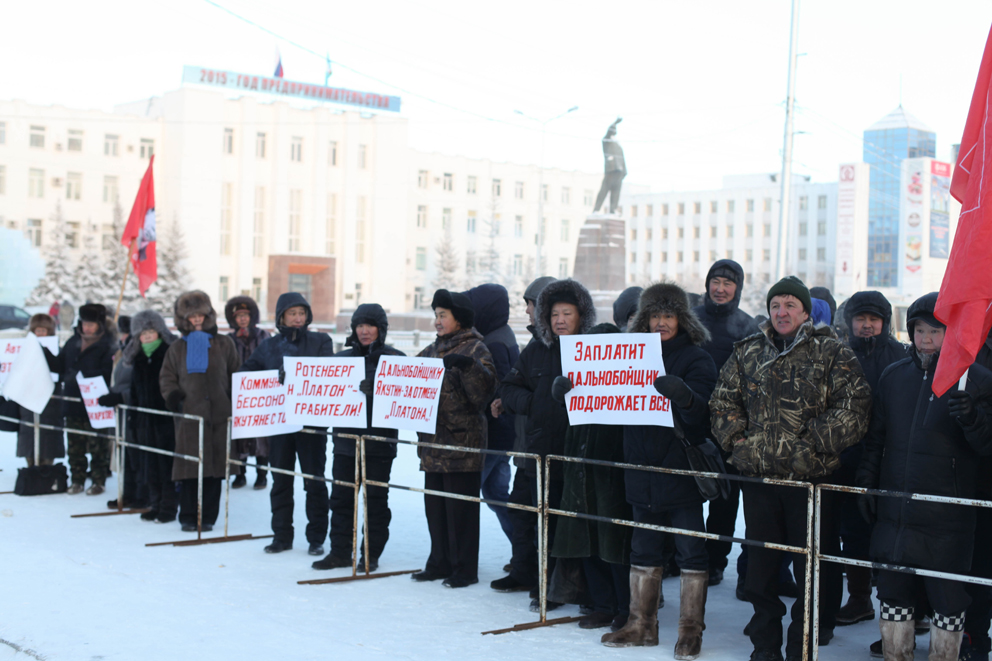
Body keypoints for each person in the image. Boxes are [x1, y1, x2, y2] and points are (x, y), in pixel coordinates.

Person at [710, 276, 872, 661]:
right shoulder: (747, 351)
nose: (781, 313)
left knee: (810, 571)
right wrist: (741, 445)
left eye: (789, 306)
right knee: (761, 570)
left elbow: (854, 408)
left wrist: (811, 445)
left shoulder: (833, 353)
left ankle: (802, 644)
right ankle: (765, 647)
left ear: (804, 312)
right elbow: (721, 403)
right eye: (775, 306)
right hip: (761, 479)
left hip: (811, 482)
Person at [856, 292, 992, 661]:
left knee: (948, 598)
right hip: (896, 511)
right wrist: (868, 483)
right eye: (919, 330)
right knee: (893, 592)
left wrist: (974, 418)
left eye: (935, 330)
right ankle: (895, 654)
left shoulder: (976, 379)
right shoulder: (893, 376)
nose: (926, 338)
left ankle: (946, 654)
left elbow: (987, 447)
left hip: (946, 515)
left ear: (952, 333)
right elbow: (876, 439)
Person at [598, 282, 717, 659]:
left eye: (668, 315)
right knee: (643, 549)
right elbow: (603, 398)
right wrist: (574, 388)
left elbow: (705, 417)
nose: (661, 322)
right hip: (640, 467)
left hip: (679, 470)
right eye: (654, 315)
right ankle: (641, 624)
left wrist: (684, 395)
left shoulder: (696, 358)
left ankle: (690, 631)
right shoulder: (627, 356)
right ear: (644, 319)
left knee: (690, 553)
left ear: (681, 319)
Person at [496, 278, 597, 610]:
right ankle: (546, 586)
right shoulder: (536, 350)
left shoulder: (597, 349)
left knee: (581, 525)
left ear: (581, 315)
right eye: (554, 314)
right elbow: (509, 388)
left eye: (567, 313)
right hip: (543, 452)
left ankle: (586, 590)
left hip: (585, 455)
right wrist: (536, 402)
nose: (560, 320)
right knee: (545, 522)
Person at [550, 321, 633, 633]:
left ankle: (625, 608)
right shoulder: (577, 381)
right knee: (586, 538)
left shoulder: (627, 383)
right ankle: (602, 604)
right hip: (580, 463)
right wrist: (561, 396)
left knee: (614, 542)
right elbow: (568, 418)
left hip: (611, 468)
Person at [411, 289, 497, 588]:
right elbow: (405, 378)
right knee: (435, 509)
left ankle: (464, 569)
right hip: (433, 444)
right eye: (435, 315)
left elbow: (483, 394)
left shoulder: (476, 349)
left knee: (460, 513)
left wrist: (467, 367)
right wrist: (377, 384)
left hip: (462, 445)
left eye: (442, 315)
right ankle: (439, 562)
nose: (437, 321)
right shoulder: (433, 350)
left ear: (458, 319)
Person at [239, 292, 334, 554]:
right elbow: (246, 371)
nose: (297, 318)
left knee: (314, 482)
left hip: (311, 426)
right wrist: (269, 379)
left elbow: (328, 374)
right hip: (279, 426)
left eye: (302, 313)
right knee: (280, 481)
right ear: (282, 316)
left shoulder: (320, 341)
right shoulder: (269, 346)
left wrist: (297, 376)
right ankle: (281, 535)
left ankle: (316, 538)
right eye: (292, 313)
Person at [834, 292, 908, 629]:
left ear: (885, 322)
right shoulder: (839, 355)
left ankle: (905, 605)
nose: (866, 325)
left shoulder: (900, 356)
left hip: (889, 459)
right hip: (848, 457)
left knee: (892, 533)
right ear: (850, 322)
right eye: (860, 319)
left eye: (873, 319)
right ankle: (860, 597)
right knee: (853, 531)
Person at [314, 303, 404, 572]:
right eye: (360, 326)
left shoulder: (395, 359)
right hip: (345, 443)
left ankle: (370, 554)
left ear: (381, 329)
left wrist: (380, 390)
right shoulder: (339, 360)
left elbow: (406, 399)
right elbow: (315, 388)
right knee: (341, 499)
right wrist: (290, 380)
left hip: (379, 444)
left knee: (375, 501)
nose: (364, 331)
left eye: (370, 325)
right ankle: (340, 551)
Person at [691, 259, 759, 588]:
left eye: (727, 283)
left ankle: (715, 561)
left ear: (737, 289)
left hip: (729, 427)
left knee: (724, 498)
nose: (720, 289)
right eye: (715, 282)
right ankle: (684, 555)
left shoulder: (747, 327)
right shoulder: (691, 321)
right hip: (688, 421)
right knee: (685, 495)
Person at [490, 275, 556, 592]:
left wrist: (530, 402)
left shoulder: (567, 346)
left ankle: (549, 579)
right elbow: (511, 386)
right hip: (526, 447)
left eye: (529, 304)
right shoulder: (533, 345)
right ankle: (523, 571)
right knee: (521, 512)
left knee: (547, 518)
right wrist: (524, 401)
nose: (527, 311)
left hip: (551, 450)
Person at [160, 291, 241, 532]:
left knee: (215, 470)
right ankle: (187, 516)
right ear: (184, 318)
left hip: (219, 416)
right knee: (190, 469)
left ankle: (208, 517)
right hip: (190, 418)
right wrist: (175, 398)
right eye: (191, 316)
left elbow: (235, 374)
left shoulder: (225, 343)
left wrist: (235, 401)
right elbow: (167, 377)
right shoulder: (176, 348)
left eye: (200, 315)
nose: (196, 319)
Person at [99, 310, 179, 523]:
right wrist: (134, 416)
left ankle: (168, 507)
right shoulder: (139, 358)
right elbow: (134, 390)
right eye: (143, 333)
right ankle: (155, 504)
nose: (147, 336)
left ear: (159, 332)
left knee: (166, 465)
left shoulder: (168, 353)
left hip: (164, 419)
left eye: (151, 331)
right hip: (143, 419)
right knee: (149, 464)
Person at [465, 283, 519, 546]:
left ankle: (527, 550)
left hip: (494, 434)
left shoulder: (494, 342)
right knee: (496, 493)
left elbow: (495, 389)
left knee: (466, 493)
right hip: (503, 434)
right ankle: (526, 550)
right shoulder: (500, 334)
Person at [50, 303, 117, 495]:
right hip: (73, 402)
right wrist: (44, 353)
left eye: (91, 324)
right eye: (85, 323)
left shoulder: (107, 345)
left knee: (98, 445)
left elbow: (108, 372)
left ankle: (98, 481)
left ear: (99, 325)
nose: (87, 327)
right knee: (74, 446)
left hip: (96, 403)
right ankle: (77, 480)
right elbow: (60, 365)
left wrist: (82, 375)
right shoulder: (73, 341)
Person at [225, 296, 271, 489]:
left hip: (260, 395)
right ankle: (240, 474)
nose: (242, 319)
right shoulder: (228, 340)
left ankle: (262, 474)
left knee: (261, 436)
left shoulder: (263, 336)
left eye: (246, 315)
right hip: (237, 395)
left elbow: (271, 361)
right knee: (239, 436)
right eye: (239, 316)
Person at [105, 315, 147, 510]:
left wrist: (121, 396)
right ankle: (127, 493)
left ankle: (142, 494)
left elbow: (141, 385)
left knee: (137, 456)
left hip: (137, 411)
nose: (124, 337)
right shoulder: (124, 354)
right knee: (126, 455)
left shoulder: (139, 355)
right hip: (123, 412)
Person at [16, 314, 64, 467]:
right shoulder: (23, 348)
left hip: (50, 400)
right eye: (37, 330)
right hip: (28, 398)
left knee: (48, 434)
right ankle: (31, 464)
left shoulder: (57, 349)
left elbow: (60, 370)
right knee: (29, 432)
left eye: (43, 330)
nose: (40, 333)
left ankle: (47, 466)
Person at [593, 118, 626, 214]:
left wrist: (625, 171)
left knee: (616, 191)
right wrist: (615, 123)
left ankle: (613, 209)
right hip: (611, 169)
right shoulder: (606, 140)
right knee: (604, 190)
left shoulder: (617, 144)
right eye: (614, 129)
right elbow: (609, 131)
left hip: (619, 171)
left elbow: (622, 158)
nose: (615, 131)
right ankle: (596, 209)